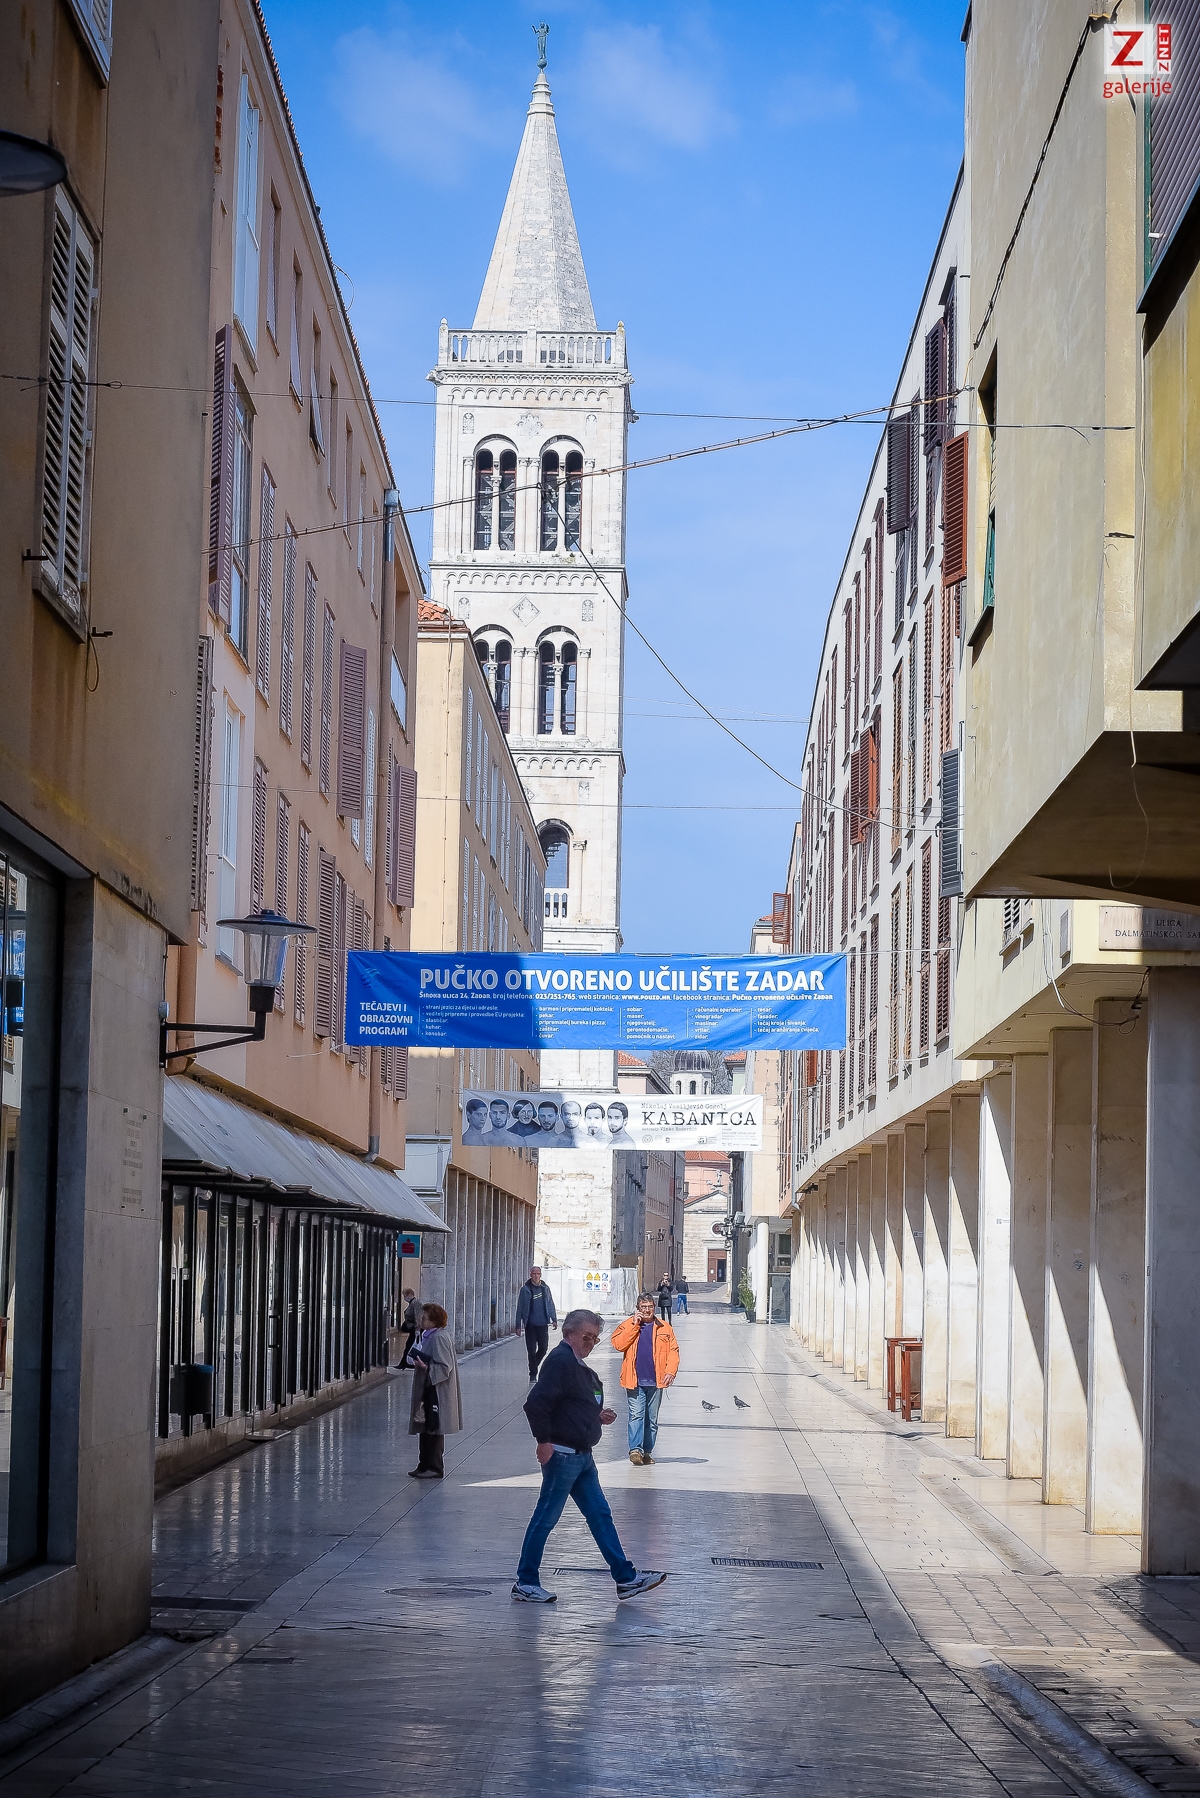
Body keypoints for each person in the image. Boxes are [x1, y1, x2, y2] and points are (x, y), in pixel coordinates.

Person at [512, 1307, 667, 1604]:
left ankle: (625, 1578)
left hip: (582, 1458)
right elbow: (536, 1404)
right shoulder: (560, 1361)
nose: (591, 1343)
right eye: (586, 1336)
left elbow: (570, 1404)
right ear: (568, 1332)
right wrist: (543, 1443)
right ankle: (526, 1582)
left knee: (600, 1516)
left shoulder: (576, 1364)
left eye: (595, 1338)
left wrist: (596, 1416)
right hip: (563, 1456)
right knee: (545, 1518)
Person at [611, 1293, 680, 1466]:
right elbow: (618, 1345)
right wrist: (634, 1325)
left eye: (650, 1307)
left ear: (654, 1307)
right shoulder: (628, 1324)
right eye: (644, 1307)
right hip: (634, 1380)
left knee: (652, 1420)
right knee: (636, 1415)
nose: (647, 1310)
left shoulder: (664, 1327)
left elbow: (674, 1351)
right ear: (637, 1308)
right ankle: (635, 1450)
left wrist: (671, 1371)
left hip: (656, 1381)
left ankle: (647, 1452)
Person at [408, 1303, 462, 1478]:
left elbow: (445, 1367)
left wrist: (427, 1368)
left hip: (437, 1392)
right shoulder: (428, 1335)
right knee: (425, 1427)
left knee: (433, 1428)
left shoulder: (439, 1338)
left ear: (434, 1321)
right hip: (428, 1389)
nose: (421, 1320)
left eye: (424, 1317)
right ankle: (423, 1464)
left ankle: (434, 1467)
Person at [515, 1265, 558, 1379]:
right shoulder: (525, 1290)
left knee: (543, 1348)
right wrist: (518, 1326)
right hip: (530, 1325)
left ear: (540, 1275)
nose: (536, 1276)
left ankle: (533, 1366)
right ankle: (533, 1373)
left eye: (538, 1274)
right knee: (531, 1350)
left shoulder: (545, 1288)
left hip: (543, 1324)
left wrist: (554, 1319)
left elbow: (550, 1303)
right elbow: (520, 1308)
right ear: (530, 1275)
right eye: (534, 1274)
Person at [397, 1287, 419, 1367]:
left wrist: (417, 1328)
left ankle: (406, 1363)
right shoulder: (412, 1303)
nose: (404, 1298)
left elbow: (417, 1316)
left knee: (410, 1345)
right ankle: (404, 1363)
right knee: (409, 1345)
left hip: (415, 1329)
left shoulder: (415, 1303)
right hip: (413, 1329)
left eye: (405, 1296)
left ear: (410, 1295)